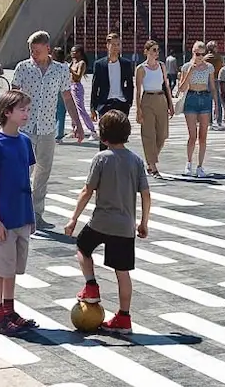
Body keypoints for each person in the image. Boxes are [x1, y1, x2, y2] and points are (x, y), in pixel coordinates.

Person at [64, 109, 152, 336]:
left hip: (101, 221)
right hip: (125, 226)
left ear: (103, 137)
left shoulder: (101, 159)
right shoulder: (136, 160)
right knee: (122, 273)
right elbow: (146, 194)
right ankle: (124, 317)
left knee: (83, 248)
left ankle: (91, 285)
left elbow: (87, 191)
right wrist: (143, 222)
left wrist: (73, 218)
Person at [0, 89, 38, 335]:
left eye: (27, 109)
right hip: (3, 219)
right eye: (22, 110)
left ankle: (9, 310)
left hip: (21, 216)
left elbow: (26, 181)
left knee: (12, 268)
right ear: (8, 113)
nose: (26, 113)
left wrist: (31, 215)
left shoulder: (25, 141)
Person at [12, 30, 82, 223]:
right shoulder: (23, 68)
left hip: (47, 128)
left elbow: (67, 97)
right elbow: (12, 96)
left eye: (36, 50)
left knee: (43, 171)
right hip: (24, 128)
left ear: (47, 49)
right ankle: (20, 210)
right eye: (31, 50)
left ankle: (36, 213)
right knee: (23, 171)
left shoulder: (60, 70)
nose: (33, 53)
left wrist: (76, 122)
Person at [132, 40, 173, 178]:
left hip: (161, 98)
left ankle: (150, 162)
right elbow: (138, 91)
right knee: (149, 134)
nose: (156, 53)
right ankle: (153, 167)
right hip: (148, 99)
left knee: (162, 134)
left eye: (157, 50)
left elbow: (166, 85)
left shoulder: (162, 66)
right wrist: (138, 109)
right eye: (153, 50)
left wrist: (170, 103)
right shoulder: (141, 68)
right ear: (146, 51)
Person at [176, 40, 214, 177]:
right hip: (191, 98)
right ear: (193, 53)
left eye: (202, 54)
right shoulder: (186, 67)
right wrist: (189, 73)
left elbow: (212, 87)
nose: (199, 57)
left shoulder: (209, 67)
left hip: (204, 98)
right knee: (192, 135)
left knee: (203, 136)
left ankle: (200, 166)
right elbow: (181, 88)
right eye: (197, 54)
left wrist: (216, 104)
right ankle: (189, 162)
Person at [91, 32, 134, 116]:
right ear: (107, 45)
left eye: (118, 44)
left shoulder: (126, 64)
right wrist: (92, 107)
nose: (116, 47)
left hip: (122, 104)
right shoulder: (99, 64)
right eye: (113, 44)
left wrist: (129, 102)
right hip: (105, 104)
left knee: (122, 129)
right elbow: (95, 86)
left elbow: (130, 84)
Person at [66, 45, 93, 131]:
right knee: (71, 109)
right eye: (71, 52)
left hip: (76, 87)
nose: (72, 54)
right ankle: (74, 129)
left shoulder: (81, 63)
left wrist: (70, 70)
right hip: (69, 86)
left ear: (79, 53)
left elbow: (78, 76)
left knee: (81, 109)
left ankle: (92, 130)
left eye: (74, 52)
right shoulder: (72, 62)